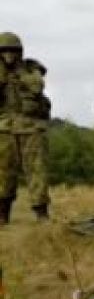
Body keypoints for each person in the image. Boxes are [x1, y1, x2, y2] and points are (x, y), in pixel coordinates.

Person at [0, 31, 52, 224]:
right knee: (3, 172)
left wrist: (19, 72)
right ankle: (3, 214)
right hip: (4, 129)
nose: (9, 55)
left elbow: (37, 86)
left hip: (31, 128)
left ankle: (41, 213)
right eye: (4, 51)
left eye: (12, 51)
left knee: (37, 171)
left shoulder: (30, 68)